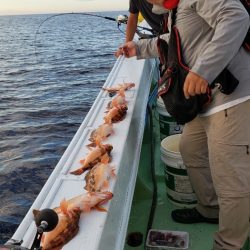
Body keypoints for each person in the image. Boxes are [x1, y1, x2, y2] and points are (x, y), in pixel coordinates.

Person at [118, 0, 250, 249]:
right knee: (190, 149)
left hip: (232, 100)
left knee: (231, 181)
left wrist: (202, 71)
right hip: (207, 103)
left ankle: (228, 244)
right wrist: (136, 47)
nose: (148, 2)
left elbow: (237, 17)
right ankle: (210, 209)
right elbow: (172, 41)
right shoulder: (175, 11)